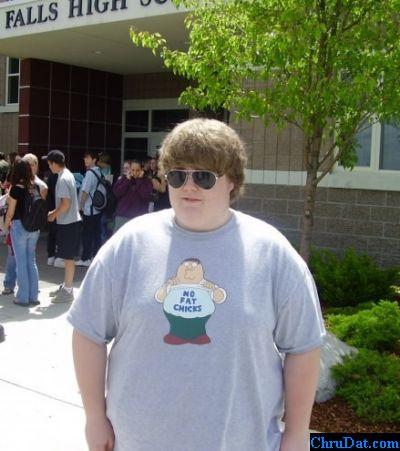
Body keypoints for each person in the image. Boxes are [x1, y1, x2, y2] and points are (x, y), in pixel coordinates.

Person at [68, 119, 325, 451]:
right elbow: (88, 332)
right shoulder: (129, 245)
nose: (188, 186)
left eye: (204, 176)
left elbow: (303, 347)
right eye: (177, 175)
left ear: (232, 181)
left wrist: (297, 433)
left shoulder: (273, 253)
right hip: (136, 441)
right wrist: (94, 416)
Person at [4, 160, 44, 306]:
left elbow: (10, 212)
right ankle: (33, 296)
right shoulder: (35, 187)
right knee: (31, 261)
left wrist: (5, 226)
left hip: (19, 226)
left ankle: (23, 297)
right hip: (34, 228)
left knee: (20, 262)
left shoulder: (16, 188)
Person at [45, 150, 81, 303]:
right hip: (69, 222)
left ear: (54, 163)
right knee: (67, 258)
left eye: (49, 163)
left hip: (68, 223)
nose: (49, 166)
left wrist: (53, 214)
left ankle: (68, 290)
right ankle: (66, 286)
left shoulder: (63, 178)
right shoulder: (67, 174)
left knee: (68, 258)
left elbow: (66, 203)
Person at [76, 150, 104, 267]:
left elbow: (85, 191)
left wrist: (80, 207)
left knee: (87, 235)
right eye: (85, 158)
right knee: (96, 234)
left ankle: (85, 258)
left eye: (88, 158)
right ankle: (94, 257)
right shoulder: (98, 172)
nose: (85, 160)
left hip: (89, 209)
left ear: (94, 160)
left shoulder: (90, 173)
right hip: (97, 209)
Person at [112, 159, 152, 232]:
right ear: (130, 169)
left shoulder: (146, 181)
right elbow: (117, 193)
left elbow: (146, 195)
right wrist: (127, 180)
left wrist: (139, 180)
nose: (135, 172)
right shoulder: (123, 179)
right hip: (122, 216)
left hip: (138, 218)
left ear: (142, 170)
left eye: (137, 170)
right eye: (133, 170)